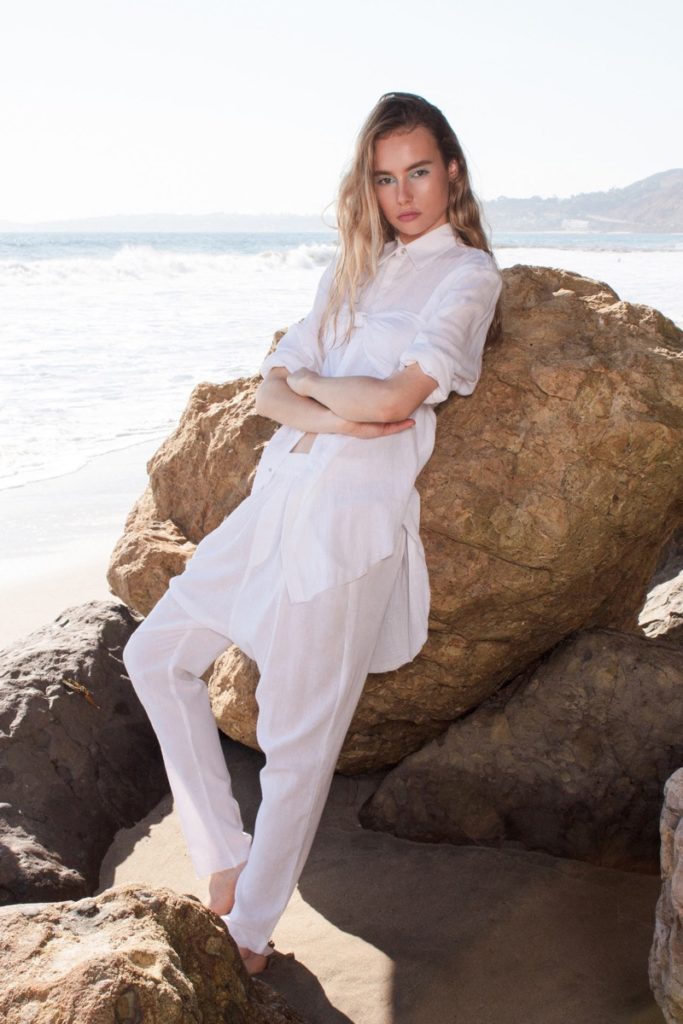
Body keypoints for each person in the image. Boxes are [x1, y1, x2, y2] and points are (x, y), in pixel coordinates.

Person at [121, 91, 503, 976]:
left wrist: (319, 393)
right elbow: (270, 389)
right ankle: (224, 850)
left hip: (349, 524)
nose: (402, 195)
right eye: (384, 178)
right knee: (154, 654)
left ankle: (249, 933)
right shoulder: (351, 271)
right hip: (276, 501)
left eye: (417, 172)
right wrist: (338, 410)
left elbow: (397, 398)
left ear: (450, 172)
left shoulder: (468, 277)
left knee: (298, 744)